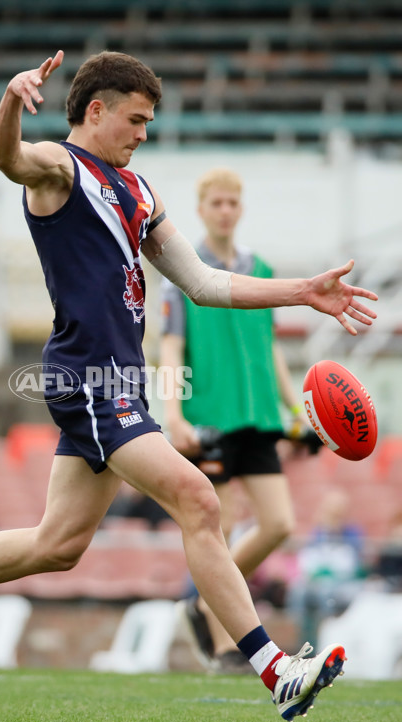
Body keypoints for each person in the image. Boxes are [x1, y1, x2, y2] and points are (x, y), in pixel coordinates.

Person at [0, 50, 378, 722]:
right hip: (88, 377)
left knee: (56, 544)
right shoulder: (60, 170)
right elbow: (9, 160)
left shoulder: (141, 191)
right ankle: (275, 671)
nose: (143, 132)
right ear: (96, 111)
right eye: (136, 119)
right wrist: (9, 102)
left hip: (120, 381)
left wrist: (303, 292)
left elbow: (205, 284)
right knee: (198, 499)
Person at [160, 167, 309, 673]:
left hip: (260, 418)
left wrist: (295, 413)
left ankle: (204, 603)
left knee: (279, 524)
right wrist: (173, 413)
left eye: (232, 203)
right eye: (216, 203)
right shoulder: (182, 268)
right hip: (210, 421)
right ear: (201, 209)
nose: (225, 210)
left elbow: (268, 351)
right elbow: (169, 347)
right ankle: (226, 650)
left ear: (240, 209)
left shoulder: (261, 269)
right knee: (216, 533)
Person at [286, 489, 367, 648]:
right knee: (298, 590)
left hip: (342, 581)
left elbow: (351, 564)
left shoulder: (351, 533)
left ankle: (325, 641)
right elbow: (309, 559)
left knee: (325, 593)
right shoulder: (318, 532)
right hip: (316, 580)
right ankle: (301, 641)